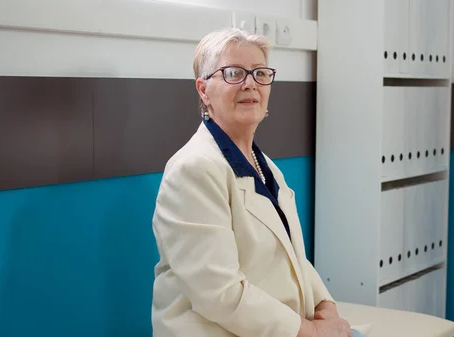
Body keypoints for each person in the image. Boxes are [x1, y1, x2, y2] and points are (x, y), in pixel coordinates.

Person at [150, 28, 360, 337]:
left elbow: (293, 257)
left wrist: (326, 307)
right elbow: (220, 294)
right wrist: (311, 332)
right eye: (233, 73)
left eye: (260, 73)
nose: (250, 83)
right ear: (204, 90)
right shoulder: (192, 170)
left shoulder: (267, 168)